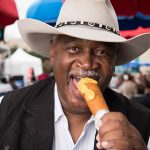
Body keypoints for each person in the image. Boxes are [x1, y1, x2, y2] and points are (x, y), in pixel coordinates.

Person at [0, 0, 150, 149]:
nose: (87, 63)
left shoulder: (143, 124)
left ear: (114, 58)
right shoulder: (6, 110)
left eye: (102, 52)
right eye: (73, 48)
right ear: (53, 52)